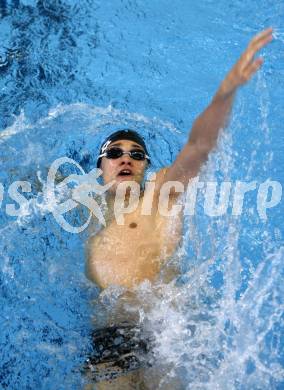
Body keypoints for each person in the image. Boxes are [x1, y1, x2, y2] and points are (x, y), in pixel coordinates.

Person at [84, 28, 273, 389]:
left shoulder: (160, 192)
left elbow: (200, 145)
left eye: (136, 155)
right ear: (100, 166)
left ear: (145, 168)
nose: (126, 159)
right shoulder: (79, 202)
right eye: (115, 153)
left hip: (161, 336)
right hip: (104, 341)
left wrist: (227, 89)